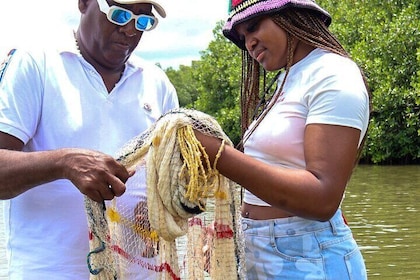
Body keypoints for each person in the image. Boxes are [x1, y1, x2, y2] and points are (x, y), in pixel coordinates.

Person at [0, 0, 178, 278]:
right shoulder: (36, 63)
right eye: (119, 15)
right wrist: (63, 162)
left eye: (143, 21)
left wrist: (157, 210)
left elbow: (168, 178)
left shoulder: (158, 83)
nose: (130, 30)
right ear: (84, 3)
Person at [194, 0, 370, 279]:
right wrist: (232, 233)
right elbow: (269, 173)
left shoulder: (333, 74)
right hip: (261, 251)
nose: (249, 43)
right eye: (242, 38)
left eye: (253, 27)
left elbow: (323, 199)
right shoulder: (287, 80)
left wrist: (217, 154)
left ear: (291, 15)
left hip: (308, 257)